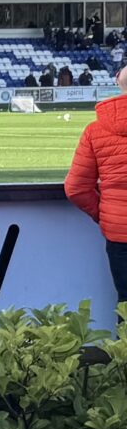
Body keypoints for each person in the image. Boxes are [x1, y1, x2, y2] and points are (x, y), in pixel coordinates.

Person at [64, 87, 127, 315]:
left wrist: (105, 214)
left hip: (120, 232)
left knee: (126, 302)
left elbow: (75, 188)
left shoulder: (95, 129)